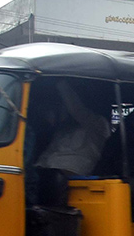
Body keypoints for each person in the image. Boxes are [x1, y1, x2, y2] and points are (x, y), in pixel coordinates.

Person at [30, 79, 111, 207]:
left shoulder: (99, 123)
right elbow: (48, 153)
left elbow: (77, 110)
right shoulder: (63, 129)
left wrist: (61, 84)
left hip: (72, 171)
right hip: (49, 170)